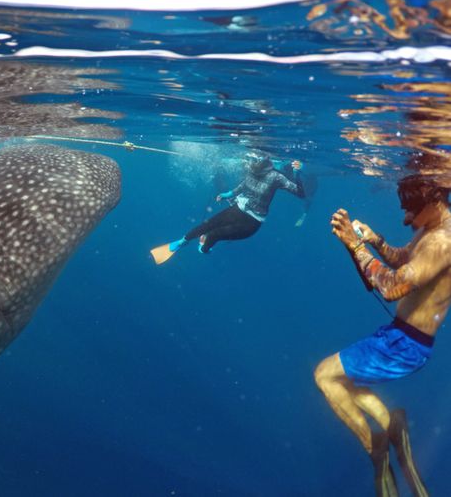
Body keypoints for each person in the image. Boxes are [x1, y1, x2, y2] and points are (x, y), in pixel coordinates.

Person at [314, 174, 451, 497]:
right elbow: (403, 259)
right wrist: (375, 241)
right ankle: (392, 427)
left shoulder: (442, 242)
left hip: (406, 345)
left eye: (410, 211)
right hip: (399, 336)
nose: (406, 219)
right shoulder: (430, 230)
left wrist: (355, 244)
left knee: (324, 376)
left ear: (432, 202)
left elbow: (391, 287)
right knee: (341, 381)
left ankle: (375, 446)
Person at [150, 154, 304, 264]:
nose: (250, 164)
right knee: (206, 225)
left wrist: (297, 173)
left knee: (214, 234)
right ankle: (182, 242)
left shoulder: (276, 177)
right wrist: (228, 194)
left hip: (252, 221)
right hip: (238, 208)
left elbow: (300, 193)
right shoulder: (251, 167)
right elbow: (243, 186)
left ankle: (204, 250)